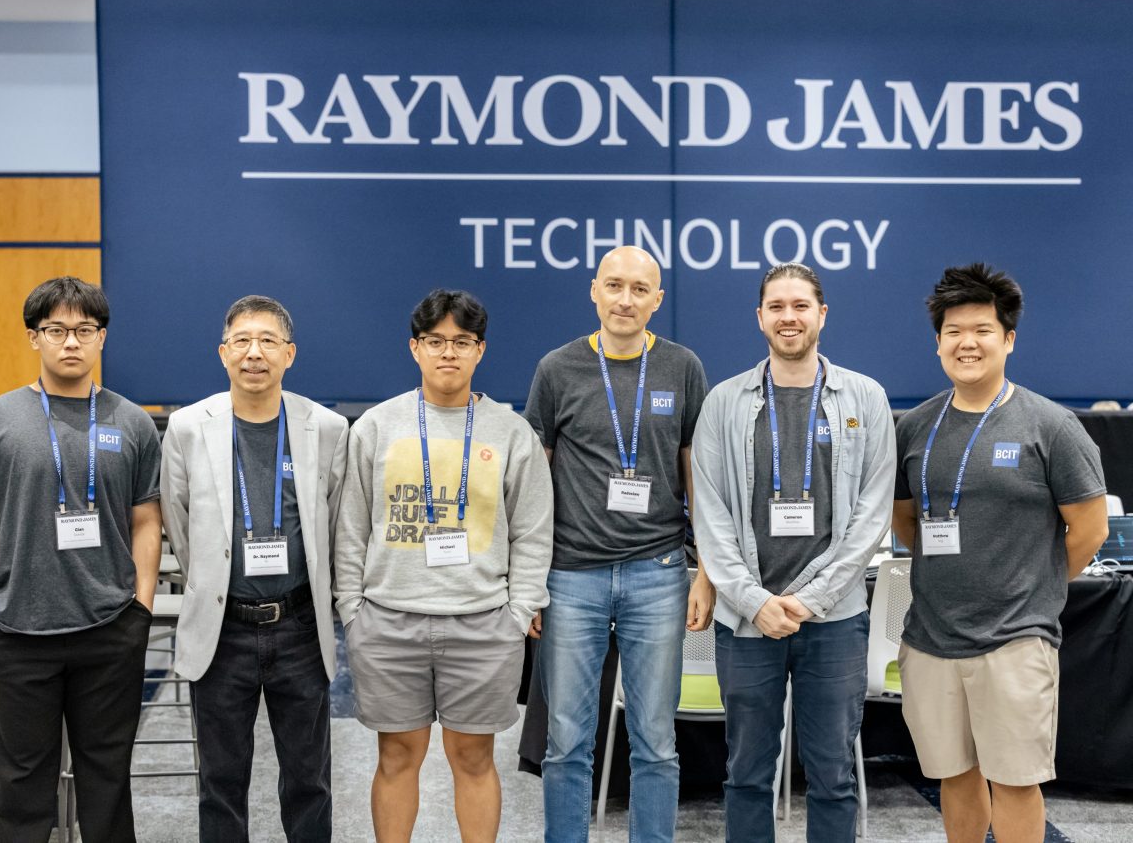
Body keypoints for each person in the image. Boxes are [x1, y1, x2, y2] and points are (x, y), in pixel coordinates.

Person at [892, 263, 1108, 843]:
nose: (968, 342)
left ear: (1008, 339)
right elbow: (904, 517)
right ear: (938, 342)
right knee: (954, 776)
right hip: (930, 640)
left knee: (1015, 782)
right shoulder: (914, 426)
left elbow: (1089, 530)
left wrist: (1033, 584)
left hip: (1015, 641)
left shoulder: (1051, 427)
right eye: (954, 331)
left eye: (983, 330)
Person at [0, 276, 161, 842]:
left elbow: (146, 522)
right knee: (20, 788)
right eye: (56, 330)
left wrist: (139, 609)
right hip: (16, 631)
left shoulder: (132, 423)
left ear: (101, 339)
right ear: (33, 338)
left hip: (110, 629)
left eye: (84, 330)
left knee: (108, 783)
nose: (71, 342)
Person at [334, 288, 553, 843]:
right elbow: (351, 526)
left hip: (482, 624)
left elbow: (532, 530)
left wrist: (518, 609)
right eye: (435, 341)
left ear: (481, 350)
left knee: (474, 759)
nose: (448, 353)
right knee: (396, 757)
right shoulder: (377, 427)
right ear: (415, 348)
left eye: (462, 342)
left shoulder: (510, 431)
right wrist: (352, 610)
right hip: (388, 621)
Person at [690, 262, 895, 842]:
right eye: (776, 306)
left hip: (834, 621)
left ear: (822, 314)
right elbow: (710, 516)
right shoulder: (724, 403)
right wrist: (754, 601)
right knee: (747, 775)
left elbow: (872, 516)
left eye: (800, 305)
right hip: (745, 622)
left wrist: (810, 601)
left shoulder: (866, 398)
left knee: (832, 776)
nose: (788, 317)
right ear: (760, 318)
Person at [525, 245, 712, 843]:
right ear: (593, 291)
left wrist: (704, 569)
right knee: (566, 742)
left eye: (639, 289)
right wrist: (527, 581)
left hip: (658, 574)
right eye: (614, 285)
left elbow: (695, 474)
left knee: (656, 742)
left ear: (658, 299)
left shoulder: (683, 367)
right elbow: (534, 480)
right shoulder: (557, 368)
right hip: (571, 577)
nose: (625, 299)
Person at [159, 295, 349, 842]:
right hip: (222, 629)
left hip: (299, 627)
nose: (254, 353)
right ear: (223, 353)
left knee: (309, 780)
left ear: (289, 353)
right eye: (241, 341)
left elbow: (336, 523)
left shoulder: (328, 428)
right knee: (220, 781)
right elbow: (179, 521)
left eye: (267, 341)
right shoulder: (190, 427)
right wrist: (218, 587)